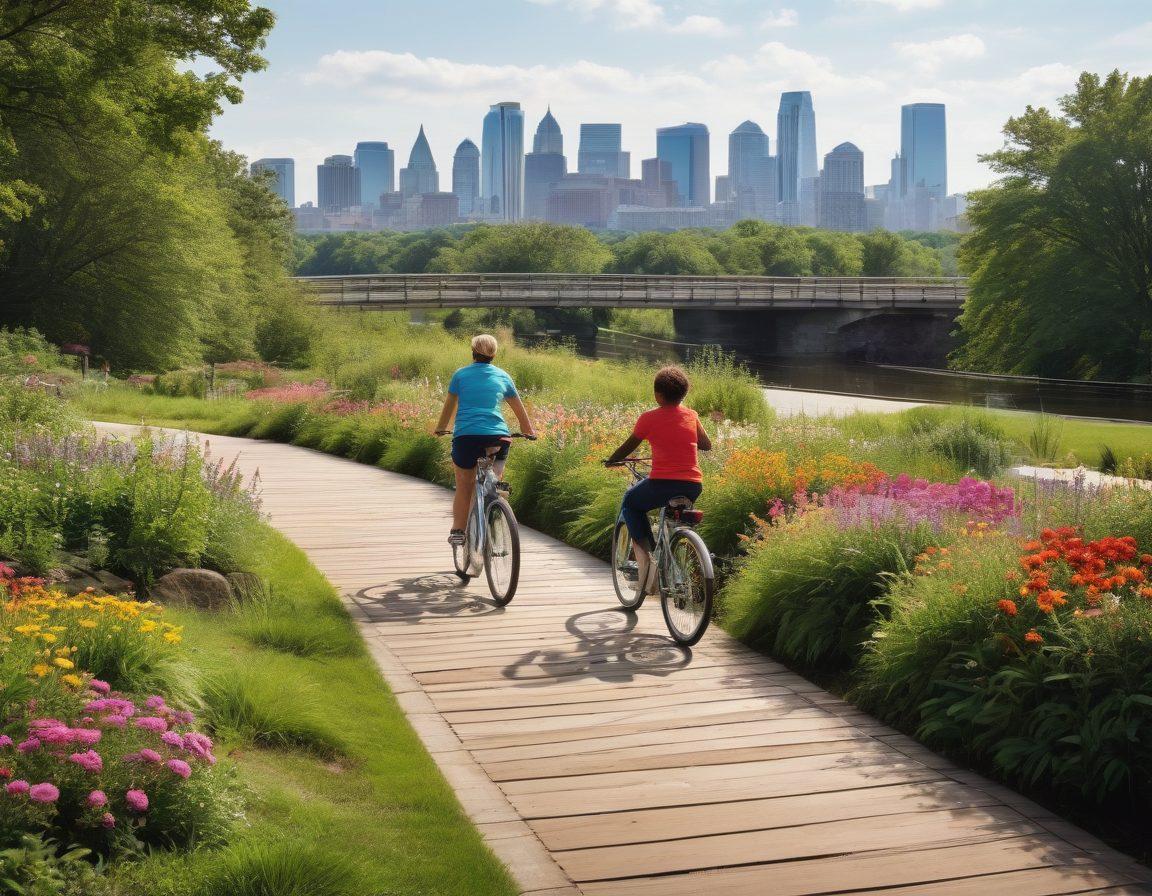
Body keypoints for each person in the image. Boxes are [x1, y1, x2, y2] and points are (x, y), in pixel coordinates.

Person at [604, 366, 711, 596]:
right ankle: (675, 554)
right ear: (683, 395)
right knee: (674, 516)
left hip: (662, 483)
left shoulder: (649, 419)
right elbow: (706, 444)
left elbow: (628, 446)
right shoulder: (691, 415)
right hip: (693, 485)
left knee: (631, 503)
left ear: (658, 395)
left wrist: (612, 460)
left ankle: (647, 561)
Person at [434, 334, 536, 547]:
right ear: (494, 354)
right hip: (498, 437)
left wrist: (441, 428)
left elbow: (449, 406)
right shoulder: (503, 376)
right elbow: (518, 408)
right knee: (494, 481)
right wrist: (528, 430)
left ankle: (458, 531)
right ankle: (496, 508)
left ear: (473, 352)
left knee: (464, 485)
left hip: (466, 437)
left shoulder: (460, 376)